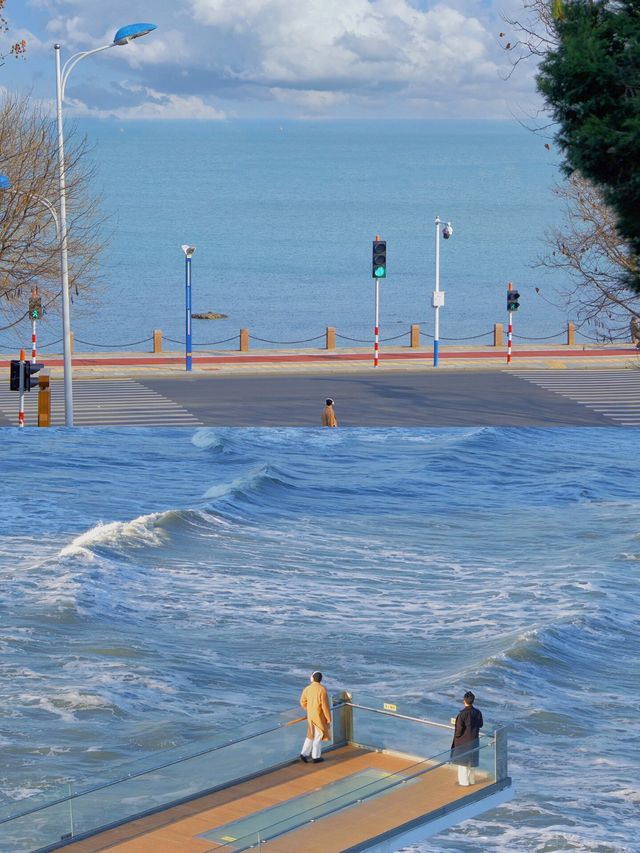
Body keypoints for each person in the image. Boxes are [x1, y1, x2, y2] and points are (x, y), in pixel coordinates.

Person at [450, 691, 483, 786]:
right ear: (473, 701)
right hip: (474, 740)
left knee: (462, 764)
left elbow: (459, 730)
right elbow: (480, 724)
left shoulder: (462, 714)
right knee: (471, 762)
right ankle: (471, 780)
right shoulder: (478, 712)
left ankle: (464, 782)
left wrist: (456, 734)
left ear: (464, 701)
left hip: (463, 742)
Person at [299, 671, 331, 763]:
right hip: (319, 716)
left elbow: (302, 702)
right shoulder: (322, 689)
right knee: (318, 735)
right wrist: (328, 718)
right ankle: (316, 757)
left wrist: (308, 708)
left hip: (310, 715)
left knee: (310, 734)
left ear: (312, 678)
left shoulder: (307, 689)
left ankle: (304, 753)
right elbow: (325, 706)